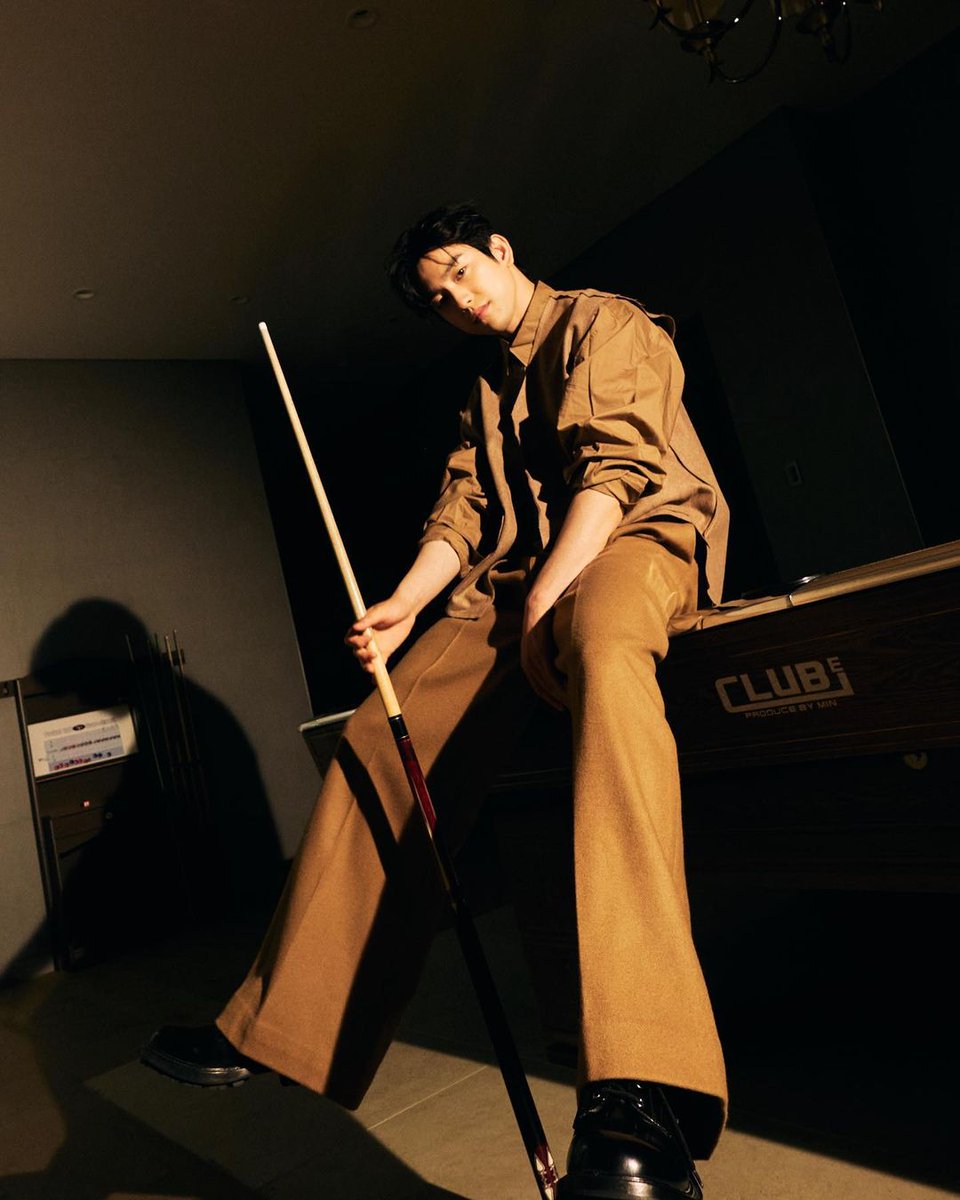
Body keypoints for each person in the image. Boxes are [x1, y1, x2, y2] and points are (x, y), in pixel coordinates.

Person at [143, 202, 730, 1200]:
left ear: (501, 250)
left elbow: (619, 470)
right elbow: (462, 514)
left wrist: (551, 597)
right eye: (438, 299)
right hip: (516, 583)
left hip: (634, 536)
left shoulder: (604, 320)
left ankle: (643, 1092)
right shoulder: (484, 393)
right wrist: (405, 607)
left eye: (461, 272)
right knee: (382, 731)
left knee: (602, 649)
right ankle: (279, 1025)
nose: (458, 300)